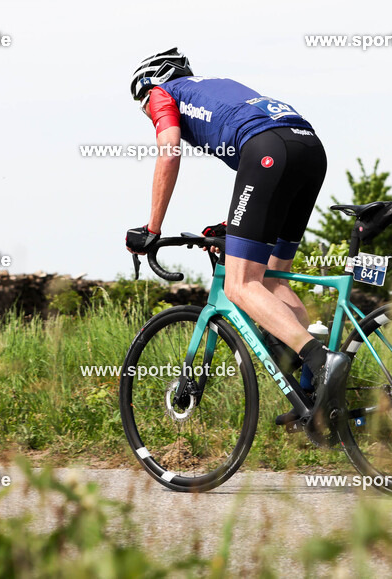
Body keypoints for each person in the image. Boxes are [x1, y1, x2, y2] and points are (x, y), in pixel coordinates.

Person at [123, 48, 348, 429]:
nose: (148, 113)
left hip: (268, 152)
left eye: (143, 106)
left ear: (152, 85)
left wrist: (151, 229)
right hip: (308, 148)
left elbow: (169, 152)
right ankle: (315, 396)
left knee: (240, 286)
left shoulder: (164, 93)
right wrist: (232, 225)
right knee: (273, 281)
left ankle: (321, 359)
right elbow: (259, 181)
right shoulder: (214, 89)